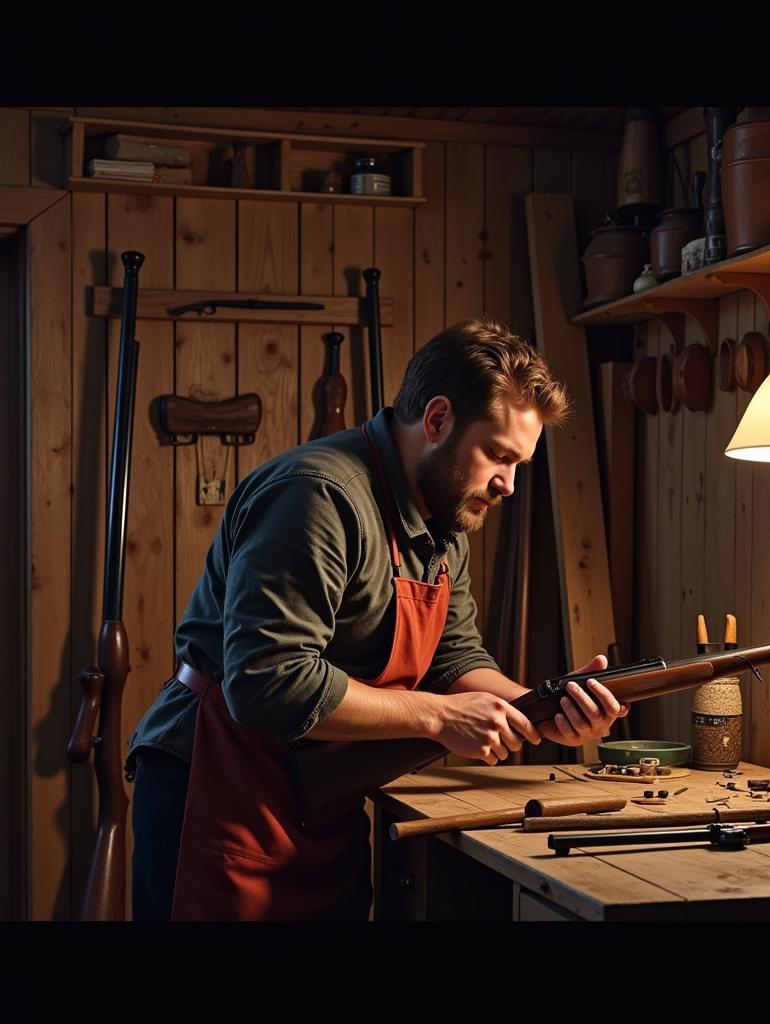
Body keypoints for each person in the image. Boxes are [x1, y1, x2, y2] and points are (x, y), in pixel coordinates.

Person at [126, 316, 628, 921]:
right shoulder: (317, 496)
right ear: (437, 419)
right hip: (218, 788)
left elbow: (454, 657)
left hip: (320, 798)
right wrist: (440, 717)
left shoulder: (444, 517)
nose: (509, 485)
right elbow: (267, 682)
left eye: (519, 463)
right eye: (498, 455)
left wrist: (537, 710)